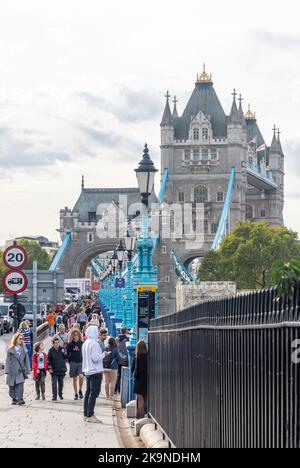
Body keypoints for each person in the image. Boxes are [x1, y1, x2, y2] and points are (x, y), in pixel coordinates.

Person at [82, 326, 109, 423]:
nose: (98, 333)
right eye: (97, 331)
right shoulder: (95, 344)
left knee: (88, 392)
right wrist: (104, 355)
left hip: (88, 370)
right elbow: (95, 358)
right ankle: (90, 414)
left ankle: (86, 413)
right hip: (95, 370)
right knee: (94, 393)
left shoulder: (85, 343)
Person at [5, 332, 31, 405]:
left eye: (22, 339)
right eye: (20, 338)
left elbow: (26, 360)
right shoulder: (10, 349)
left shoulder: (24, 348)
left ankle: (20, 399)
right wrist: (6, 370)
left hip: (20, 370)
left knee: (20, 385)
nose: (21, 340)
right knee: (11, 387)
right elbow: (7, 360)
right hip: (11, 371)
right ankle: (14, 398)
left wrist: (28, 370)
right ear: (16, 339)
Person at [131, 341, 148, 419]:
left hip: (138, 381)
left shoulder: (136, 358)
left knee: (140, 401)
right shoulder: (148, 357)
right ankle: (139, 417)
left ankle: (140, 418)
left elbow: (132, 369)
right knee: (144, 400)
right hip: (146, 381)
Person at [47, 336, 67, 401]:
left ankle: (60, 394)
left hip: (61, 369)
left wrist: (64, 352)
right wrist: (49, 368)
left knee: (61, 384)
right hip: (54, 370)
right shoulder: (50, 350)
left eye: (58, 343)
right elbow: (48, 360)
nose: (57, 344)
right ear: (53, 344)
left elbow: (66, 357)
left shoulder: (61, 349)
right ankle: (54, 396)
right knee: (54, 384)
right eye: (55, 343)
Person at [67, 328, 84, 400]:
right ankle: (75, 393)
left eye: (77, 335)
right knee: (74, 378)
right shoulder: (70, 344)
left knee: (81, 377)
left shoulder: (82, 343)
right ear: (72, 336)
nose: (76, 336)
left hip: (80, 362)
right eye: (74, 335)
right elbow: (68, 353)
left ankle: (80, 389)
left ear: (79, 335)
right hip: (73, 362)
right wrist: (70, 360)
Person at [115, 327, 129, 393]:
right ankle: (120, 390)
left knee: (118, 374)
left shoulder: (117, 339)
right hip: (124, 359)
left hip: (118, 359)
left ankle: (115, 389)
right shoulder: (126, 339)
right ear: (126, 331)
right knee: (123, 375)